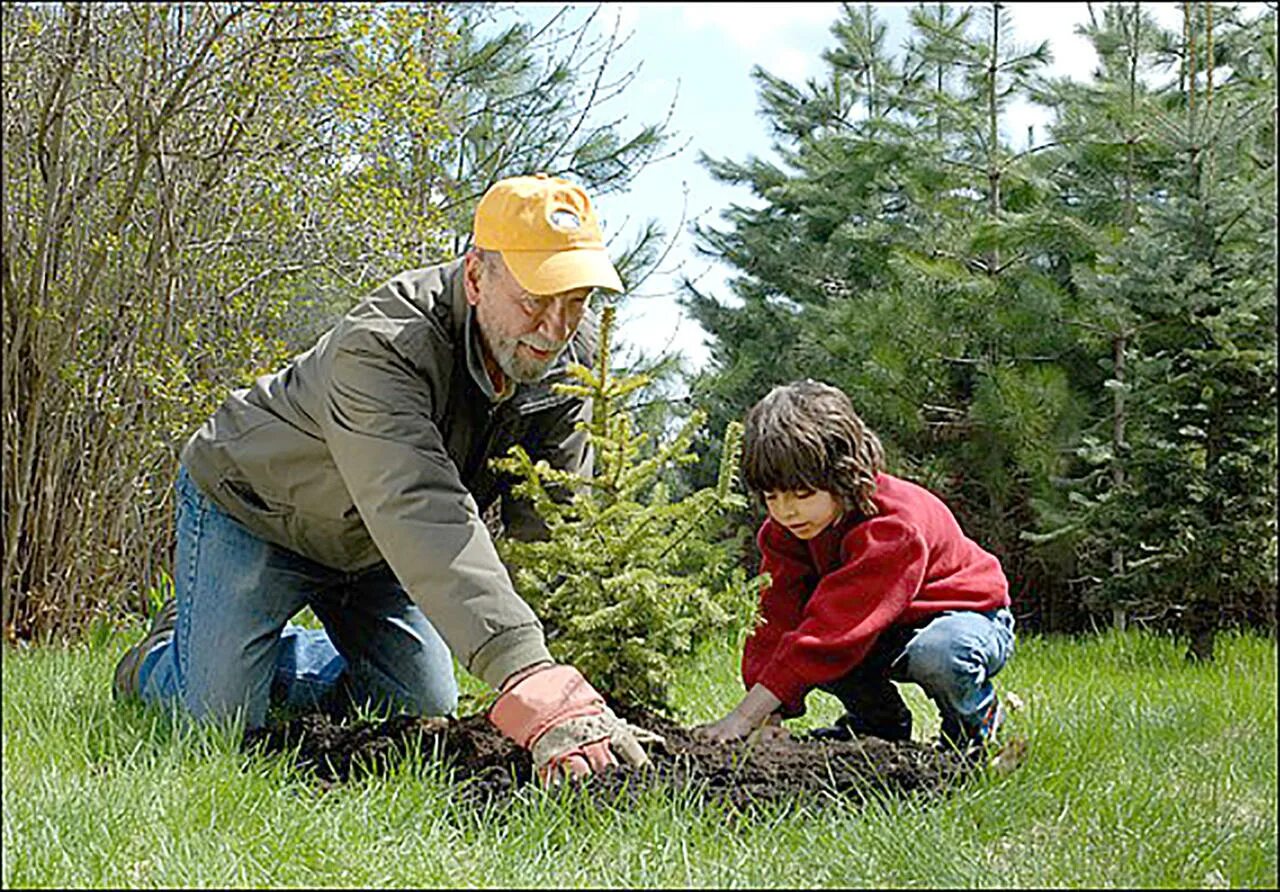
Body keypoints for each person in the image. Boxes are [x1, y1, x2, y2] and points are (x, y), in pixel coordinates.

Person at [113, 173, 661, 783]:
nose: (555, 327)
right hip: (259, 513)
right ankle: (160, 658)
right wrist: (522, 669)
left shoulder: (565, 357)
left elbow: (553, 515)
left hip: (376, 548)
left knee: (422, 707)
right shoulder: (386, 346)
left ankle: (256, 650)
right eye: (536, 298)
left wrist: (567, 668)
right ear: (476, 276)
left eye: (575, 299)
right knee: (218, 722)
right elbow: (418, 503)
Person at [694, 380, 1015, 754]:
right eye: (771, 496)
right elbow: (776, 619)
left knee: (938, 654)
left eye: (802, 493)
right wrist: (770, 716)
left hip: (965, 618)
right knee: (811, 649)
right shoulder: (786, 532)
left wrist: (743, 717)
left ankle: (974, 728)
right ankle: (879, 729)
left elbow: (835, 631)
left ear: (843, 475)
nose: (786, 510)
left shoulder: (893, 527)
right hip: (876, 626)